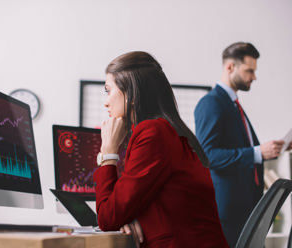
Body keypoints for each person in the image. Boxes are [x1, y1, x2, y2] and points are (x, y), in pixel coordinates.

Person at [93, 51, 229, 248]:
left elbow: (107, 217)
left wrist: (108, 152)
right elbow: (122, 208)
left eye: (108, 90)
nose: (105, 101)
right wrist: (127, 216)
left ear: (131, 93)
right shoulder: (170, 131)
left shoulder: (152, 133)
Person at [194, 42, 292, 247]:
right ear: (230, 67)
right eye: (249, 70)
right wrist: (258, 153)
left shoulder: (233, 105)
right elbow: (208, 156)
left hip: (246, 207)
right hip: (228, 212)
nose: (254, 77)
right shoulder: (211, 103)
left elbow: (245, 149)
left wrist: (276, 150)